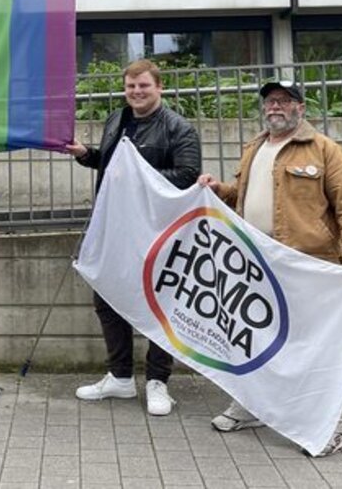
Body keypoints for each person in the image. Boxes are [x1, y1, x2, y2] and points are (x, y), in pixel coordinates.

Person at [197, 79, 342, 457]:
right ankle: (253, 407)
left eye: (283, 101)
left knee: (321, 349)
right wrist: (219, 191)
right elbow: (246, 197)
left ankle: (333, 425)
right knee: (257, 341)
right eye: (269, 101)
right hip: (260, 266)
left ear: (300, 107)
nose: (275, 107)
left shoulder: (324, 150)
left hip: (309, 267)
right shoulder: (255, 148)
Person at [66, 58, 202, 416]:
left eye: (143, 86)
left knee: (160, 305)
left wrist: (138, 176)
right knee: (107, 298)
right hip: (115, 227)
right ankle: (120, 378)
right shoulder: (117, 119)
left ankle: (158, 381)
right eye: (130, 86)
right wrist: (85, 155)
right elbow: (110, 164)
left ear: (159, 88)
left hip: (157, 230)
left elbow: (188, 175)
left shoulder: (178, 128)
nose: (136, 92)